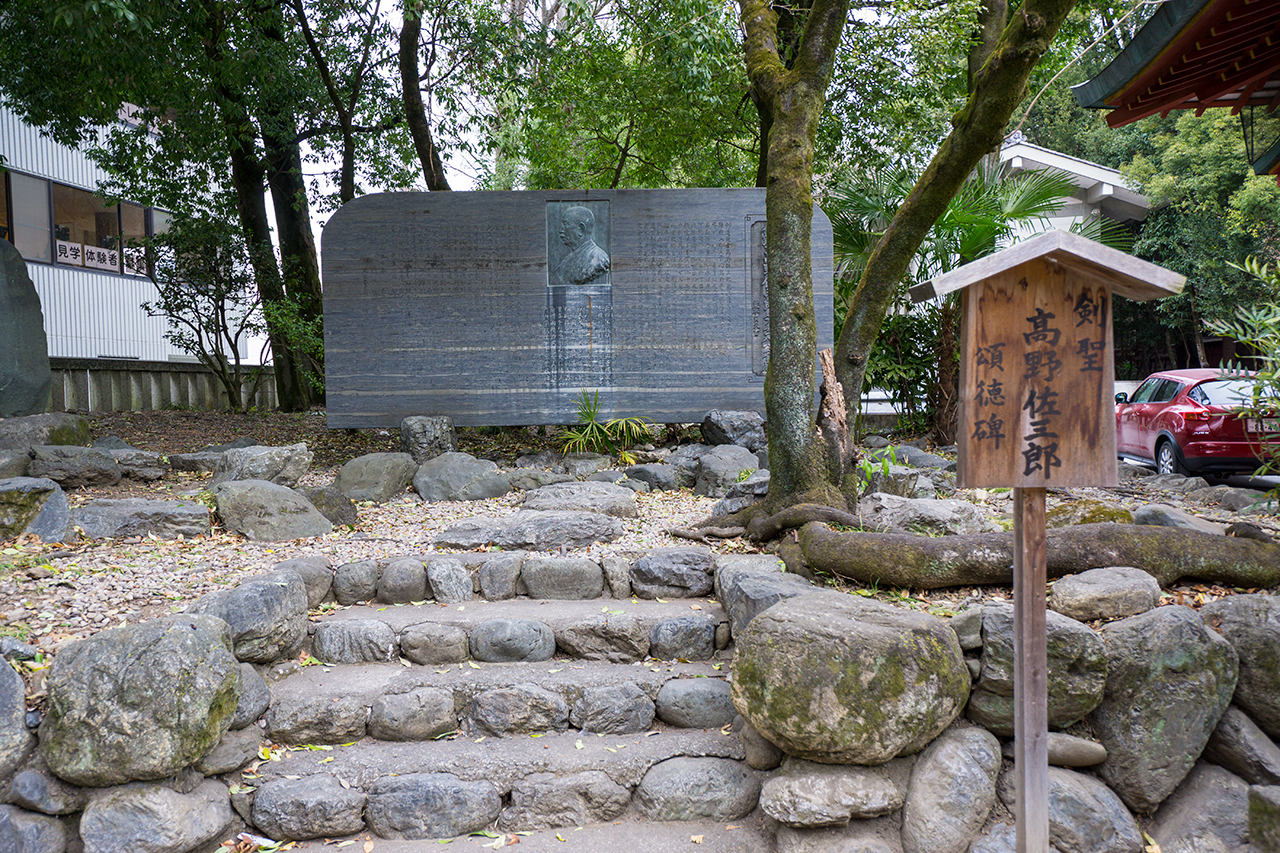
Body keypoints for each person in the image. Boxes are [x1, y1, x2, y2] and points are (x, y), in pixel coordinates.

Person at [553, 206, 610, 285]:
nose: (561, 230)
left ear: (580, 229)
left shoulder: (598, 259)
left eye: (566, 224)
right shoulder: (565, 261)